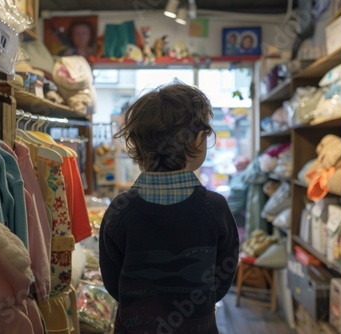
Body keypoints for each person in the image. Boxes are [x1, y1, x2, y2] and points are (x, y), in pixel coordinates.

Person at [99, 82, 239, 334]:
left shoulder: (120, 209)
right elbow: (224, 274)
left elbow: (112, 281)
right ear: (197, 140)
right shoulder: (214, 208)